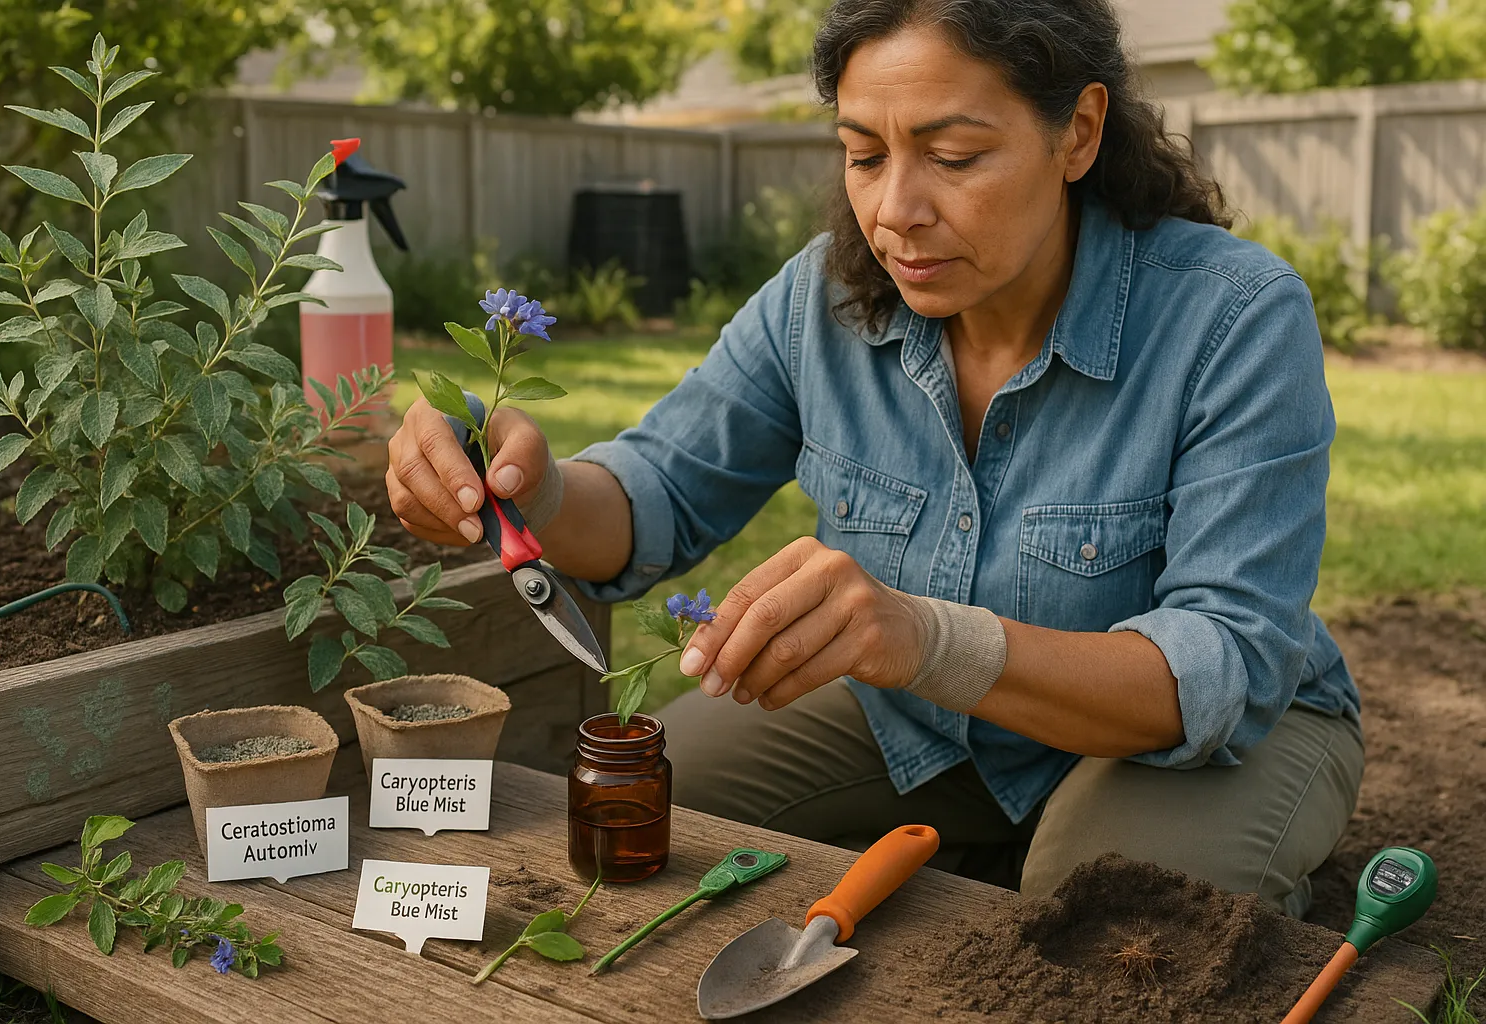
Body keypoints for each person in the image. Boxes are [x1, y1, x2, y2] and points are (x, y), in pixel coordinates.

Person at [384, 0, 1362, 917]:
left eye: (954, 155)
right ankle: (977, 846)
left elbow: (1222, 663)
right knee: (636, 816)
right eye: (863, 154)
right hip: (918, 721)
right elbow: (654, 496)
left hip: (1200, 741)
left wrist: (925, 638)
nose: (894, 210)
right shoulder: (823, 302)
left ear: (1079, 131)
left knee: (1104, 920)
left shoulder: (1231, 316)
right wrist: (531, 484)